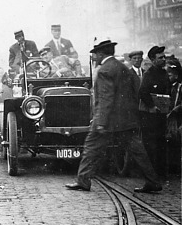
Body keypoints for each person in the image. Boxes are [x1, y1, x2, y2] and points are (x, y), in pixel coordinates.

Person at [65, 37, 161, 193]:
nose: (94, 57)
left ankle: (83, 181)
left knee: (90, 148)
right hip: (127, 120)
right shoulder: (123, 67)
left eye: (95, 54)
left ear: (102, 54)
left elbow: (105, 98)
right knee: (138, 151)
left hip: (108, 121)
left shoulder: (104, 70)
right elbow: (135, 91)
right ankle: (153, 181)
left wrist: (100, 122)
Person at [138, 45, 170, 177]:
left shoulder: (163, 73)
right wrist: (151, 106)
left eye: (164, 57)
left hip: (161, 114)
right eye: (160, 57)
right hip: (149, 116)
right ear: (152, 59)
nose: (164, 59)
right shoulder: (148, 74)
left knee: (161, 142)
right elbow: (143, 92)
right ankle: (151, 173)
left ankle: (160, 172)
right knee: (151, 144)